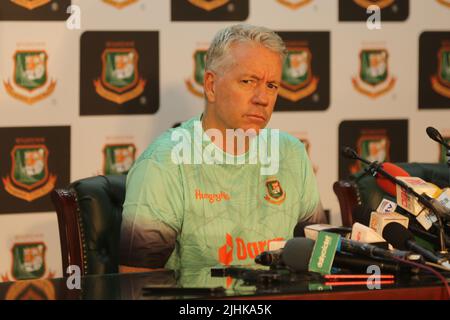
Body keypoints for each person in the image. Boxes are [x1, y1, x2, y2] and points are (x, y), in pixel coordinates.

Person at [119, 24, 326, 271]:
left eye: (272, 86)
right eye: (248, 81)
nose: (263, 98)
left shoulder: (292, 154)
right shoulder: (164, 163)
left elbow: (320, 261)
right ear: (211, 85)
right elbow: (137, 285)